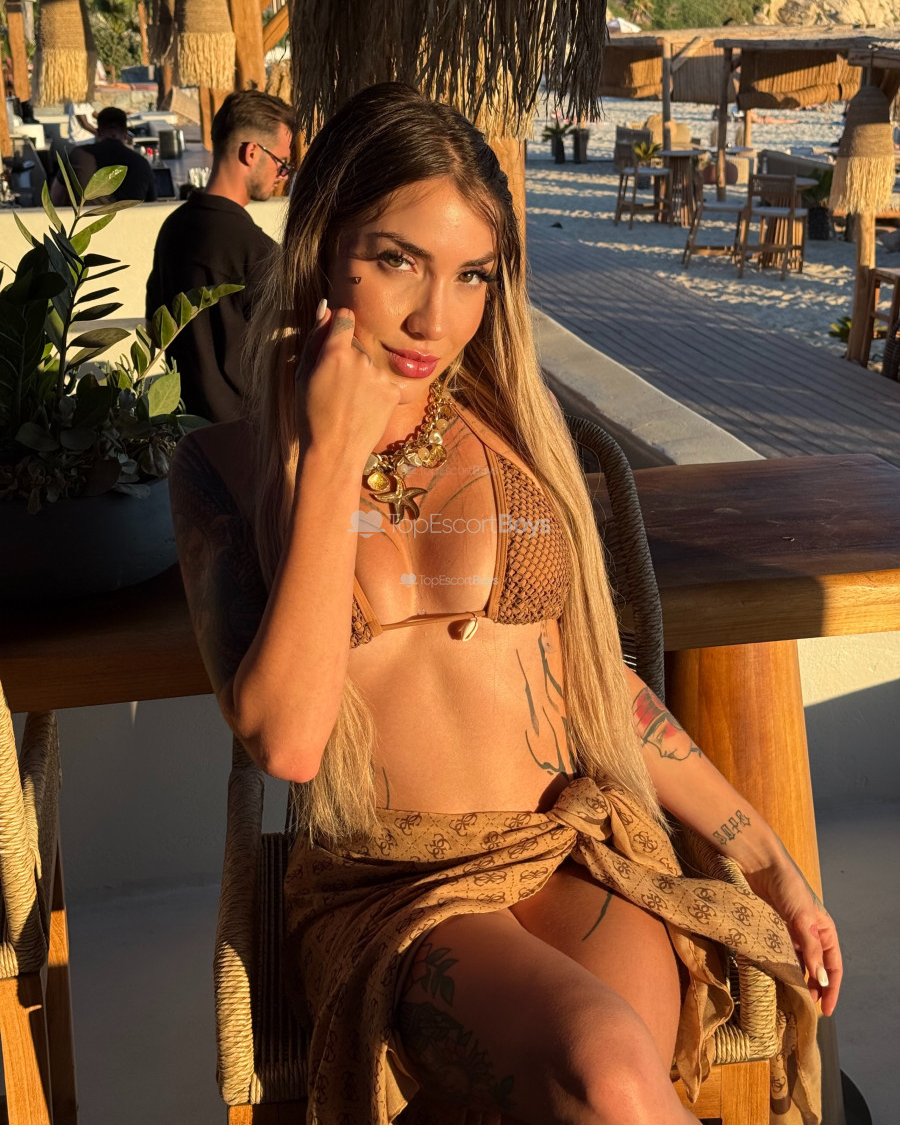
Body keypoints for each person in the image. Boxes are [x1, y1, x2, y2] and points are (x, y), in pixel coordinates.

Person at [168, 82, 839, 1125]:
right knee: (607, 1071)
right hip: (397, 884)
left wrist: (768, 858)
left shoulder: (514, 432)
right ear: (322, 248)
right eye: (398, 260)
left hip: (569, 848)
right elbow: (287, 743)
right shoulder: (227, 468)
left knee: (609, 1078)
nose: (436, 318)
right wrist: (332, 451)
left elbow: (596, 686)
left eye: (472, 274)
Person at [144, 89, 295, 422]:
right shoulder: (256, 249)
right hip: (245, 429)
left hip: (182, 428)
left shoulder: (173, 228)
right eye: (282, 163)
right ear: (252, 152)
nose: (282, 176)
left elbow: (155, 331)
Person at [50, 106, 157, 207]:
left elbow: (55, 199)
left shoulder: (78, 155)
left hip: (86, 219)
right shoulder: (141, 162)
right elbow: (152, 203)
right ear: (125, 133)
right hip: (132, 219)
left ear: (98, 132)